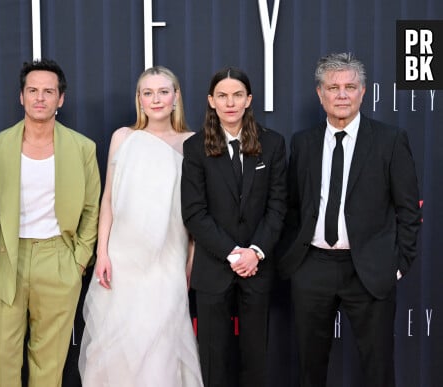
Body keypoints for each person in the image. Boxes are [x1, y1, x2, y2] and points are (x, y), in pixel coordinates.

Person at [278, 52, 422, 387]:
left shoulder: (390, 140)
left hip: (369, 268)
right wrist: (294, 259)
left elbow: (408, 210)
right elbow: (293, 206)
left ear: (363, 91)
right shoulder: (303, 142)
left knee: (378, 368)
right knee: (309, 368)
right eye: (333, 87)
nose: (342, 94)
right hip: (312, 266)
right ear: (320, 94)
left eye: (350, 87)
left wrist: (397, 264)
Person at [79, 66, 203, 387]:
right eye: (148, 93)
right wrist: (102, 252)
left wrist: (191, 259)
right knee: (115, 342)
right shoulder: (123, 137)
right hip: (122, 259)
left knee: (161, 341)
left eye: (163, 91)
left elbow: (196, 211)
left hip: (168, 259)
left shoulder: (193, 143)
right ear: (139, 100)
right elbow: (108, 199)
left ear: (176, 97)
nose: (156, 99)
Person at [0, 58, 100, 387]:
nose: (40, 97)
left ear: (60, 98)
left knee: (49, 365)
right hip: (6, 259)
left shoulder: (82, 148)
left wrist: (77, 261)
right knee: (2, 360)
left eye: (48, 91)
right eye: (33, 90)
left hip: (59, 259)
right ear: (20, 96)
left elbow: (92, 208)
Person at [181, 67, 287, 387]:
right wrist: (232, 253)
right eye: (223, 96)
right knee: (213, 361)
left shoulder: (273, 144)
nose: (231, 103)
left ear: (248, 100)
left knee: (257, 360)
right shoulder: (196, 147)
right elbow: (194, 213)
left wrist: (254, 252)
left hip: (258, 268)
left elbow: (277, 206)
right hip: (214, 269)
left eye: (237, 95)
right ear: (212, 101)